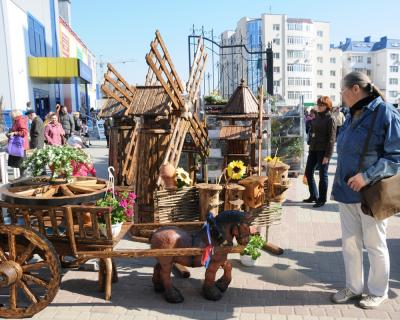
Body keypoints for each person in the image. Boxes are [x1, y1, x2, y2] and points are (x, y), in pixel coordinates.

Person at [331, 72, 400, 309]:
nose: (341, 95)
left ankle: (378, 291)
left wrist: (366, 176)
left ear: (355, 89)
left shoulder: (385, 113)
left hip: (371, 193)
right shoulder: (351, 114)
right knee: (350, 243)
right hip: (346, 192)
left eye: (342, 90)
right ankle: (354, 287)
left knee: (375, 244)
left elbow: (396, 157)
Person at [303, 96, 336, 208]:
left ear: (327, 106)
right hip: (313, 149)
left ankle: (322, 199)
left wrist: (328, 155)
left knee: (323, 175)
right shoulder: (316, 117)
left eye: (322, 105)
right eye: (318, 104)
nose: (319, 106)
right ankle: (314, 195)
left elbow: (332, 139)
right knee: (308, 172)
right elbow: (312, 132)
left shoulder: (330, 119)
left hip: (323, 151)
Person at [7, 110, 29, 175]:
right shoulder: (17, 121)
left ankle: (24, 177)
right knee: (20, 162)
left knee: (21, 162)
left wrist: (14, 133)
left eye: (11, 116)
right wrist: (11, 131)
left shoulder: (20, 120)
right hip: (18, 145)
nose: (11, 117)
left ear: (14, 115)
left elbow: (24, 132)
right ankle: (22, 176)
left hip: (20, 145)